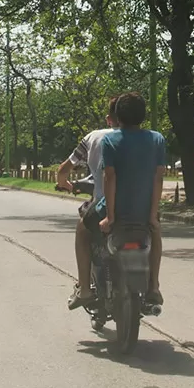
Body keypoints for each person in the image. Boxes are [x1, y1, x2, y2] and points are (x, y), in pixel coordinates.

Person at [90, 92, 167, 305]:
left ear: (117, 117)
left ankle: (85, 288)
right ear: (143, 115)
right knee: (156, 234)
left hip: (117, 211)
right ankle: (153, 286)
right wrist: (152, 216)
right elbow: (158, 178)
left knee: (83, 227)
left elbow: (110, 177)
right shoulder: (157, 139)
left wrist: (110, 217)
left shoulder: (110, 140)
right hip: (144, 211)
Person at [59, 97, 118, 310]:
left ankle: (84, 288)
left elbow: (65, 168)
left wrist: (63, 183)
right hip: (139, 206)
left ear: (109, 119)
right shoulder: (146, 139)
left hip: (103, 204)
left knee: (82, 229)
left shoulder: (95, 137)